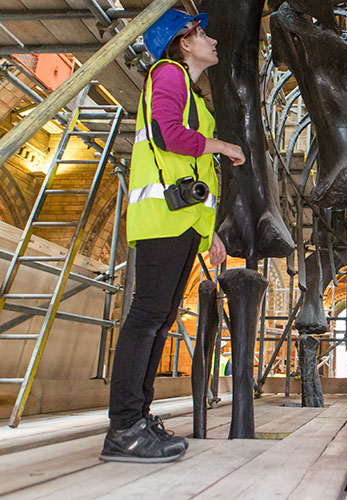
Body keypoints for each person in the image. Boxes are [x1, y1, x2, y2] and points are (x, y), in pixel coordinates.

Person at [101, 9, 245, 464]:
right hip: (161, 218)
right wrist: (220, 145)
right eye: (202, 33)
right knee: (147, 317)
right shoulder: (168, 73)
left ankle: (138, 420)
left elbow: (190, 168)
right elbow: (167, 134)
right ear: (183, 43)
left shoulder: (195, 97)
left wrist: (209, 236)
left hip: (180, 221)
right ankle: (123, 426)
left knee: (160, 320)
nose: (211, 39)